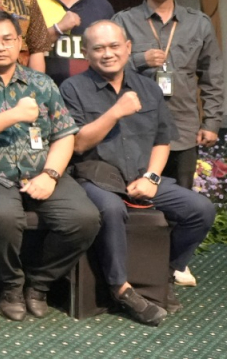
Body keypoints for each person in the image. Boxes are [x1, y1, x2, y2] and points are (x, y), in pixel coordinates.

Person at [0, 10, 99, 322]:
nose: (0, 46)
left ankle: (39, 283)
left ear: (20, 43)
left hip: (42, 170)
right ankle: (10, 286)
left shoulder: (42, 83)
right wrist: (13, 115)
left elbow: (65, 135)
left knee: (84, 218)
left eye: (7, 39)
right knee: (3, 218)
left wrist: (51, 175)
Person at [60, 21, 216, 326]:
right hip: (95, 176)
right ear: (85, 53)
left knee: (200, 209)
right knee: (111, 208)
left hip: (143, 175)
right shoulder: (72, 88)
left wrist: (153, 178)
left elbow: (162, 140)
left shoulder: (148, 87)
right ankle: (122, 288)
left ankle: (165, 273)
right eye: (99, 48)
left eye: (114, 46)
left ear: (128, 48)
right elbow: (78, 144)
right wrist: (116, 111)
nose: (108, 54)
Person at [113, 0, 223, 288]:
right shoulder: (124, 21)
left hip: (185, 125)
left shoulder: (199, 22)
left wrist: (213, 122)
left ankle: (173, 263)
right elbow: (103, 62)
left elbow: (213, 75)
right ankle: (135, 262)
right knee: (136, 197)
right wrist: (139, 59)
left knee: (183, 200)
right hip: (136, 129)